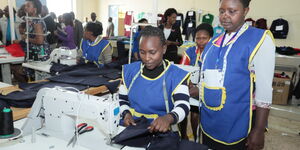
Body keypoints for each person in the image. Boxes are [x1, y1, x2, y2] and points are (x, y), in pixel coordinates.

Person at [199, 0, 275, 149]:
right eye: (222, 11)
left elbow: (264, 89)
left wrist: (259, 130)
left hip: (238, 120)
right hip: (210, 120)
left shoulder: (259, 39)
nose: (225, 16)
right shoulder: (214, 41)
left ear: (246, 11)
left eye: (232, 11)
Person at [119, 26, 190, 134]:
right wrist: (126, 113)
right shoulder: (130, 72)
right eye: (142, 52)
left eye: (152, 52)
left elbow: (183, 105)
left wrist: (169, 118)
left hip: (161, 131)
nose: (147, 58)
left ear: (164, 49)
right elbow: (122, 100)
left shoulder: (176, 75)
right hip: (132, 128)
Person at [179, 23, 214, 141]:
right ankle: (183, 136)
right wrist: (187, 82)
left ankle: (196, 139)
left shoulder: (215, 53)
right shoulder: (190, 52)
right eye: (198, 38)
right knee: (182, 110)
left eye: (204, 38)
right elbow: (183, 69)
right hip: (190, 87)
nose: (201, 41)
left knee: (195, 116)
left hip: (206, 89)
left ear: (211, 38)